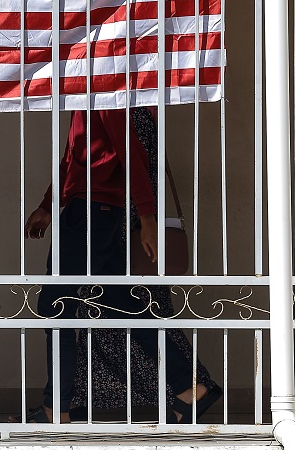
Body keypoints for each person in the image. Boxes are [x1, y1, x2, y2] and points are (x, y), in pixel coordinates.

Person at [17, 108, 221, 424]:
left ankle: (55, 408)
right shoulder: (84, 97)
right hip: (94, 211)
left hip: (90, 213)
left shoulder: (102, 93)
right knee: (123, 303)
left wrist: (147, 217)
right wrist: (48, 205)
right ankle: (188, 388)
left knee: (56, 306)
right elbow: (73, 160)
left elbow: (131, 153)